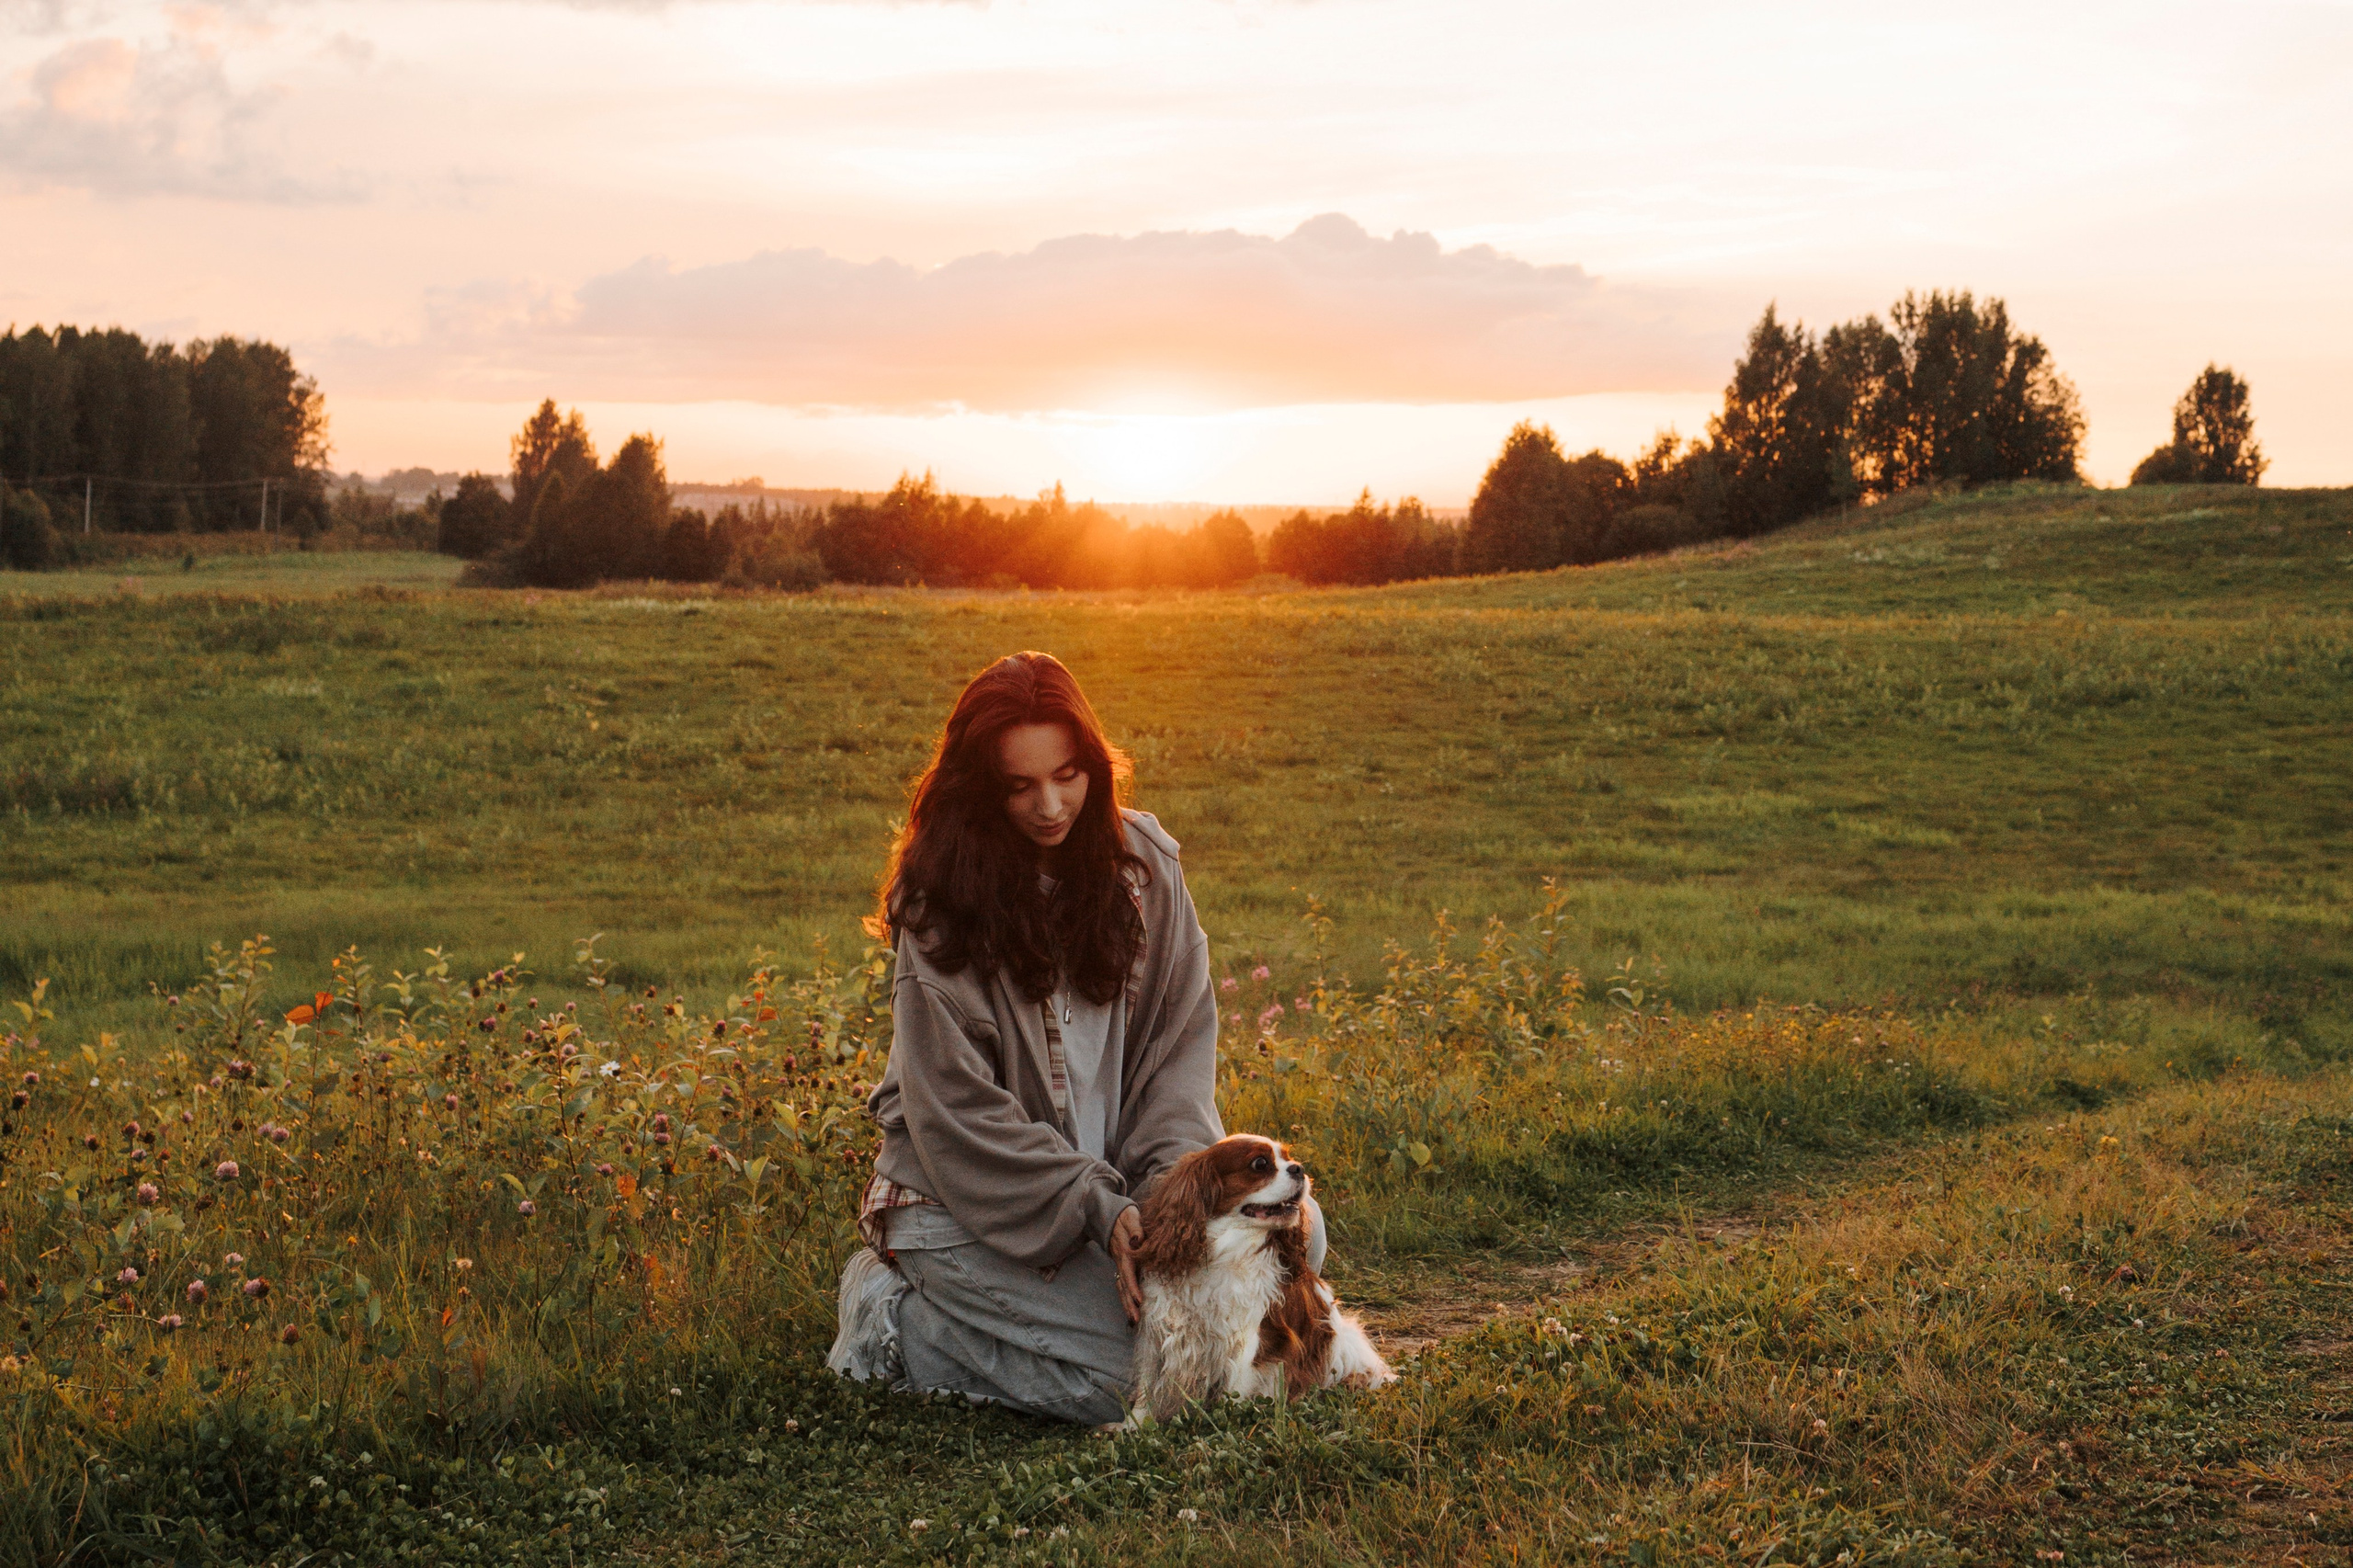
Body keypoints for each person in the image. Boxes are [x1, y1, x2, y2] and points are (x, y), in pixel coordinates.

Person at [826, 651, 1323, 1425]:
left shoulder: (1146, 868)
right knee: (1139, 1379)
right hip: (966, 1207)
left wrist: (1165, 1201)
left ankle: (1019, 1325)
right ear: (979, 789)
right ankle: (896, 1321)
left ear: (1094, 764)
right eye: (1018, 786)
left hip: (1114, 1190)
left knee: (1299, 1232)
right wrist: (1095, 1206)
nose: (1051, 805)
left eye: (1067, 775)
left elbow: (1176, 1060)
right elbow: (956, 1114)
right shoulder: (940, 907)